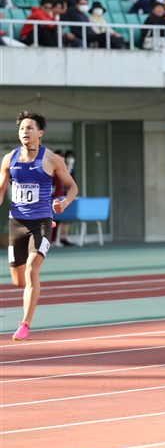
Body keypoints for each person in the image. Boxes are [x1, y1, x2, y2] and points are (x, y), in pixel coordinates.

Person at [0, 111, 78, 340]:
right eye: (22, 128)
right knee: (18, 280)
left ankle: (25, 323)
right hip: (17, 223)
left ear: (40, 133)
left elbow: (72, 187)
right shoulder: (9, 159)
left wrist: (65, 201)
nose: (25, 132)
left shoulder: (51, 159)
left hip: (42, 222)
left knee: (33, 269)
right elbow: (2, 189)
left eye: (30, 128)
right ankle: (30, 290)